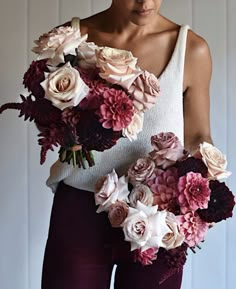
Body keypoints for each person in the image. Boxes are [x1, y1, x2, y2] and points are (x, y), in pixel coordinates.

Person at [41, 1, 213, 289]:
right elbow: (50, 118)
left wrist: (204, 197)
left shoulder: (192, 50)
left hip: (158, 215)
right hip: (80, 208)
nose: (145, 3)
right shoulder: (69, 39)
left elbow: (198, 137)